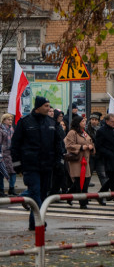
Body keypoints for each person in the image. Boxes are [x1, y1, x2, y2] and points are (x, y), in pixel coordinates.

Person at [11, 97, 63, 230]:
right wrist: (17, 164)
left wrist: (58, 162)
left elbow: (58, 144)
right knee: (35, 192)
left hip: (47, 165)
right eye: (46, 106)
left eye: (49, 106)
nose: (48, 108)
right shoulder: (25, 122)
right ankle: (40, 222)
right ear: (38, 107)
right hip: (30, 165)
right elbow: (15, 144)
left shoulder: (51, 122)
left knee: (42, 195)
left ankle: (33, 224)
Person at [64, 115, 96, 208]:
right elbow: (69, 145)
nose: (84, 123)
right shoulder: (72, 133)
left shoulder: (84, 133)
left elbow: (90, 142)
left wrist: (91, 147)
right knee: (79, 182)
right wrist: (81, 147)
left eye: (84, 121)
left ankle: (69, 195)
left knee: (85, 181)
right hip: (76, 161)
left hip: (85, 161)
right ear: (78, 123)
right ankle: (83, 202)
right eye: (82, 121)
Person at [95, 112, 114, 206]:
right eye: (112, 121)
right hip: (109, 159)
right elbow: (99, 146)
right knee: (112, 179)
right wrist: (109, 154)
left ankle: (100, 194)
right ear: (107, 121)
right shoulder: (101, 131)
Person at [0, 113, 16, 195]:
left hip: (11, 153)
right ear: (4, 120)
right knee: (1, 172)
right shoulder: (1, 130)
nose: (10, 121)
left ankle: (12, 188)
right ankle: (1, 189)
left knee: (13, 171)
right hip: (3, 154)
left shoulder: (12, 129)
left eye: (11, 120)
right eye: (8, 119)